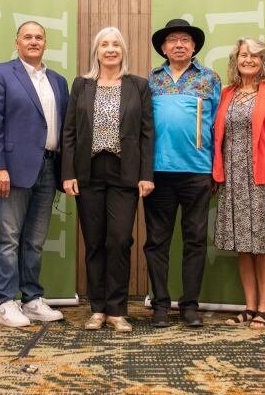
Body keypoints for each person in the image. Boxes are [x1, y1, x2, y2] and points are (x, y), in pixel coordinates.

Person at [61, 27, 155, 333]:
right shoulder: (82, 85)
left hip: (123, 174)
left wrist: (145, 175)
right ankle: (97, 309)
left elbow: (146, 133)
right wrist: (68, 174)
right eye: (104, 44)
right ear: (96, 51)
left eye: (116, 44)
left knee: (118, 240)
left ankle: (117, 310)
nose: (110, 49)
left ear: (123, 51)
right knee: (94, 243)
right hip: (88, 174)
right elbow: (70, 132)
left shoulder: (138, 86)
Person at [0, 21, 69, 327]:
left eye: (39, 37)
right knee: (9, 239)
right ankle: (5, 302)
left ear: (46, 43)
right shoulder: (0, 73)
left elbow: (65, 129)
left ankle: (31, 299)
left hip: (48, 167)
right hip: (13, 169)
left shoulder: (58, 81)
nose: (33, 41)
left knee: (35, 241)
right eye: (27, 36)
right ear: (17, 42)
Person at [212, 38, 265, 330]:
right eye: (244, 55)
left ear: (263, 62)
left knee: (264, 245)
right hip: (234, 180)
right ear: (236, 60)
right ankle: (249, 307)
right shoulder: (226, 94)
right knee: (243, 246)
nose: (249, 60)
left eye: (255, 56)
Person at [143, 18, 221, 328]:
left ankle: (190, 305)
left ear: (194, 46)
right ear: (163, 48)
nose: (178, 44)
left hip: (197, 172)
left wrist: (216, 170)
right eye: (172, 40)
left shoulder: (209, 78)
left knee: (196, 241)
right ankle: (160, 305)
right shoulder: (151, 80)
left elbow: (218, 128)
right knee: (157, 242)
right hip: (158, 173)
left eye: (185, 40)